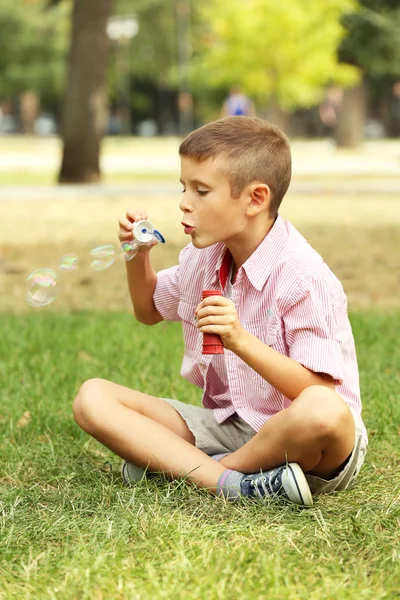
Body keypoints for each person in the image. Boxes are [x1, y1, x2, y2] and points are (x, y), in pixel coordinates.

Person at [73, 116, 368, 506]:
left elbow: (319, 393)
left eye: (201, 190)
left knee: (322, 411)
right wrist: (135, 255)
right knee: (93, 398)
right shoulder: (203, 259)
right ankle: (234, 483)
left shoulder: (303, 276)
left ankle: (195, 467)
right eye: (184, 188)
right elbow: (147, 310)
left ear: (255, 199)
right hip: (229, 425)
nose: (184, 202)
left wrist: (241, 341)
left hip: (308, 441)